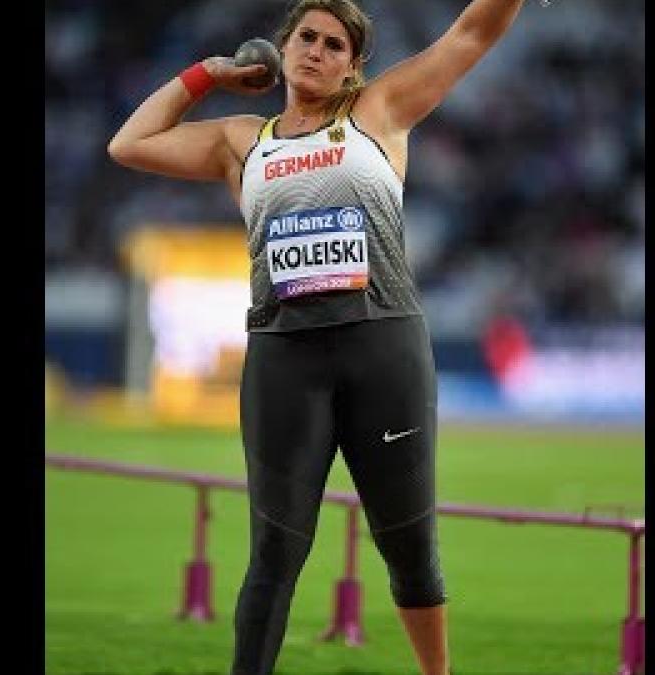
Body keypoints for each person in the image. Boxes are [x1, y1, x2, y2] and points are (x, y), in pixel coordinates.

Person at [108, 1, 527, 673]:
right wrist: (209, 75)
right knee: (273, 555)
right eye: (307, 37)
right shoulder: (241, 141)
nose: (318, 51)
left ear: (353, 67)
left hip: (382, 349)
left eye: (336, 45)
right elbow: (128, 144)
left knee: (409, 548)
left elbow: (473, 31)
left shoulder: (380, 111)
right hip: (284, 357)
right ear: (282, 46)